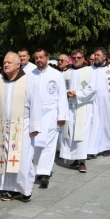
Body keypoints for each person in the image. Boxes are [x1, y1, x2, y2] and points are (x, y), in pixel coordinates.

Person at [0, 52, 41, 201]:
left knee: (22, 160)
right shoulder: (0, 82)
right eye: (4, 62)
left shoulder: (28, 81)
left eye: (9, 62)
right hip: (4, 127)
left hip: (23, 127)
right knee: (4, 158)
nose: (6, 64)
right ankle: (7, 188)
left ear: (18, 65)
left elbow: (35, 103)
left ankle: (25, 189)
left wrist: (35, 126)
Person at [32, 48, 68, 188]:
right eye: (36, 58)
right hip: (35, 114)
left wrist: (62, 115)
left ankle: (45, 173)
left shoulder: (57, 74)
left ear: (47, 58)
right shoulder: (31, 75)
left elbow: (62, 96)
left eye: (41, 57)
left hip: (51, 113)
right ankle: (35, 170)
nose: (39, 60)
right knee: (35, 143)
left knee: (49, 143)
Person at [60, 49, 97, 173]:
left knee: (82, 133)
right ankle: (73, 158)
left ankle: (82, 161)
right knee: (70, 133)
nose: (76, 59)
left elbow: (93, 89)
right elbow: (61, 88)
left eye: (79, 57)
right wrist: (67, 93)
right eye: (74, 57)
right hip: (69, 107)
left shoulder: (90, 71)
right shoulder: (67, 72)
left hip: (83, 107)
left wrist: (77, 93)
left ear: (83, 58)